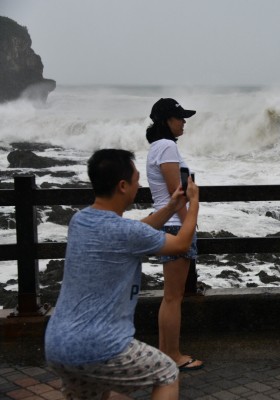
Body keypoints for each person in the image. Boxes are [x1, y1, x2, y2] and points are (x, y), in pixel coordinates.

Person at [45, 149, 199, 400]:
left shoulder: (79, 221)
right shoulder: (125, 232)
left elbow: (135, 232)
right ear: (123, 186)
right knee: (166, 373)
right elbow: (181, 244)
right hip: (101, 345)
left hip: (58, 344)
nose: (140, 185)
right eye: (137, 180)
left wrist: (171, 206)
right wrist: (193, 204)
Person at [145, 98, 203, 371]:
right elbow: (176, 194)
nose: (183, 122)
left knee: (172, 295)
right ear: (166, 121)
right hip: (175, 225)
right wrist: (188, 226)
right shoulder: (166, 147)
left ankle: (166, 352)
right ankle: (172, 356)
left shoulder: (158, 147)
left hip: (168, 224)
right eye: (179, 117)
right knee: (173, 297)